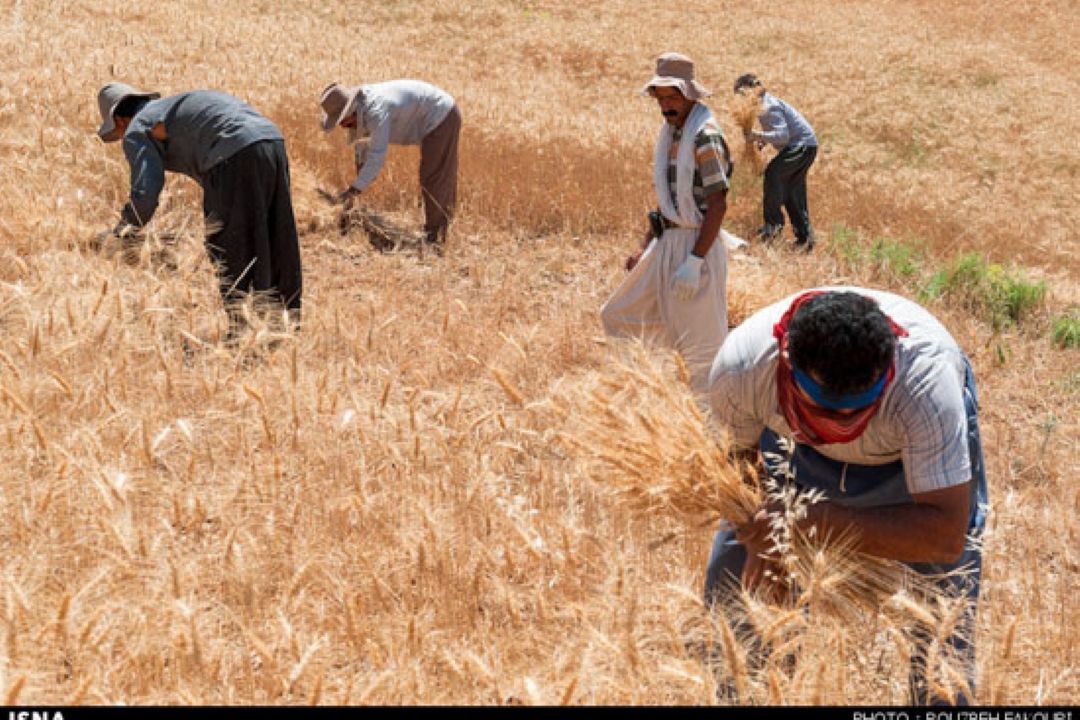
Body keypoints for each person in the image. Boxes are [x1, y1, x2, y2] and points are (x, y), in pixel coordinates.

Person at [704, 287, 988, 705]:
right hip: (789, 451)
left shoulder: (925, 385)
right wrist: (757, 538)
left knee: (944, 625)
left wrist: (813, 522)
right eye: (824, 408)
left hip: (904, 469)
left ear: (888, 370)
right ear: (786, 364)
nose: (842, 424)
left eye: (858, 410)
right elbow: (736, 470)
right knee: (736, 600)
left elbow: (945, 537)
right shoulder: (743, 369)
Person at [95, 83, 302, 328]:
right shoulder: (169, 108)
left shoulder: (137, 128)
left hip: (233, 151)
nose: (121, 138)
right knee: (276, 234)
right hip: (272, 140)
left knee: (230, 245)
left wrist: (123, 231)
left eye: (118, 133)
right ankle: (285, 324)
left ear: (119, 121)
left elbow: (145, 194)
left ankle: (243, 330)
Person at [601, 52, 742, 394]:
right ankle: (657, 396)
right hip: (669, 243)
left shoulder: (704, 138)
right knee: (619, 314)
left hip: (697, 245)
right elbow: (669, 202)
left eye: (672, 98)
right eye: (660, 98)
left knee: (702, 347)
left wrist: (695, 261)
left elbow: (717, 204)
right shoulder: (674, 135)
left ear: (690, 95)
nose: (665, 106)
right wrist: (644, 245)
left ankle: (713, 427)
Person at [319, 79, 462, 250]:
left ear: (350, 112)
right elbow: (362, 146)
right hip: (431, 116)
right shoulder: (360, 110)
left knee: (433, 177)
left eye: (343, 121)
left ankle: (436, 239)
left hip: (441, 116)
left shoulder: (376, 110)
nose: (343, 126)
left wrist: (353, 190)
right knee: (433, 176)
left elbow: (377, 156)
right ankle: (437, 231)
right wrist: (358, 182)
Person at [733, 73, 818, 251]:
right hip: (807, 145)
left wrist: (757, 135)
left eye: (741, 96)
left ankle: (772, 228)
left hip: (800, 146)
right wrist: (764, 140)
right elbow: (779, 132)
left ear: (749, 92)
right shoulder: (764, 104)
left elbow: (783, 135)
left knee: (772, 174)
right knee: (792, 191)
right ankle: (805, 238)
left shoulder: (767, 107)